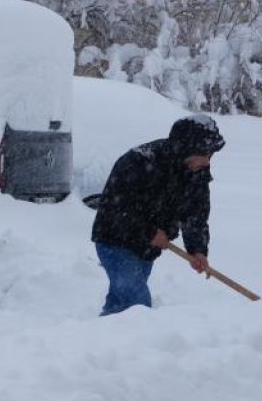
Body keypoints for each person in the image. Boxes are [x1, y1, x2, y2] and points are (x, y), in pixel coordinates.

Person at [90, 114, 225, 315]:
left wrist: (197, 250)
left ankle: (105, 337)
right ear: (187, 149)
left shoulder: (196, 172)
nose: (207, 161)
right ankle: (136, 342)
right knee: (136, 306)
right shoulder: (140, 161)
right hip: (114, 241)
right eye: (204, 154)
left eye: (210, 155)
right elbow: (116, 209)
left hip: (147, 248)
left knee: (122, 304)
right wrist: (149, 232)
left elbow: (195, 213)